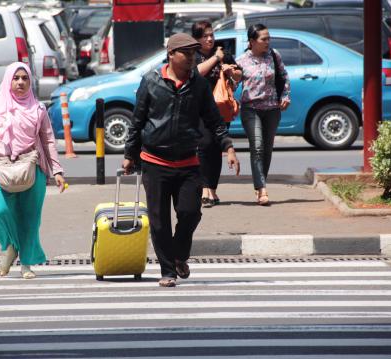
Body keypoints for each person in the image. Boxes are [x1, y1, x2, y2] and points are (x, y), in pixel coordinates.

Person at [123, 33, 240, 288]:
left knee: (190, 213)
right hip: (154, 160)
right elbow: (137, 120)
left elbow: (213, 120)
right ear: (171, 55)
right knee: (159, 220)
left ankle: (179, 254)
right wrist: (130, 154)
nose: (191, 58)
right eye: (186, 53)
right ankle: (168, 270)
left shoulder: (198, 85)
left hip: (188, 161)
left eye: (193, 54)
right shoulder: (151, 81)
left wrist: (228, 147)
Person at [0, 62, 66, 279]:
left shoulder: (38, 108)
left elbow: (48, 139)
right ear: (8, 80)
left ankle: (26, 264)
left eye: (25, 78)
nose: (21, 82)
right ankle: (12, 245)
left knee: (30, 218)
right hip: (1, 167)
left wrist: (57, 170)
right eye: (16, 78)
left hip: (33, 167)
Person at [236, 24, 291, 205]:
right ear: (252, 41)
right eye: (263, 39)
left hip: (272, 109)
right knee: (257, 147)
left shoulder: (274, 56)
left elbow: (284, 76)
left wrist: (285, 96)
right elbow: (232, 84)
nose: (268, 42)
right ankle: (262, 189)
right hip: (251, 109)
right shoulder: (241, 60)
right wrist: (232, 78)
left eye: (269, 38)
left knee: (267, 149)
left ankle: (260, 186)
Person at [192, 21, 242, 208]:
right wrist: (215, 59)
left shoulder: (223, 53)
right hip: (199, 108)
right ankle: (204, 188)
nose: (210, 39)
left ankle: (212, 189)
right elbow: (195, 73)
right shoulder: (194, 54)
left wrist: (231, 71)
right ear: (197, 38)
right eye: (205, 36)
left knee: (217, 148)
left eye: (211, 35)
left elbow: (239, 75)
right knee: (204, 145)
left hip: (220, 107)